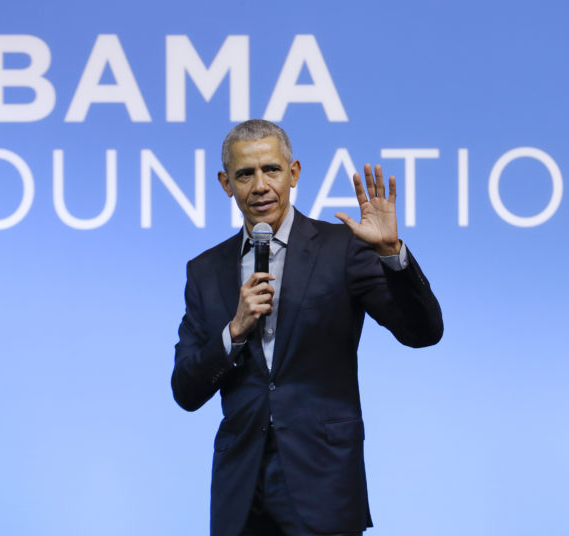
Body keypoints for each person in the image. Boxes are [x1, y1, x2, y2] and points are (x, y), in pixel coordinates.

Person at [172, 119, 443, 536]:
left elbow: (423, 332)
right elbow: (185, 390)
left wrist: (391, 253)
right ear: (226, 183)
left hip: (324, 483)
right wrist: (236, 330)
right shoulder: (204, 271)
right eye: (245, 174)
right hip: (241, 494)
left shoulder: (343, 248)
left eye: (271, 170)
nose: (260, 185)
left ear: (293, 173)